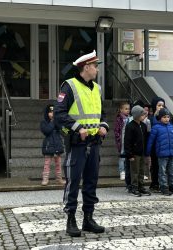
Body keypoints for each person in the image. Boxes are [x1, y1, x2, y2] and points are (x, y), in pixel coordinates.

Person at [54, 50, 108, 237]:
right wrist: (77, 128)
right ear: (86, 67)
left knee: (91, 182)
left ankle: (88, 219)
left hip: (94, 144)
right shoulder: (69, 86)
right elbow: (59, 115)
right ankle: (70, 219)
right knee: (73, 182)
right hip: (77, 144)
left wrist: (104, 126)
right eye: (95, 66)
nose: (97, 70)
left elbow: (102, 113)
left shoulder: (97, 88)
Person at [146, 108, 173, 196]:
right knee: (162, 172)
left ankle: (172, 186)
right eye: (164, 117)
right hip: (162, 155)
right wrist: (147, 152)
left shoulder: (171, 127)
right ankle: (163, 187)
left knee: (171, 172)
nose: (166, 119)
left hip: (171, 154)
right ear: (159, 118)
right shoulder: (156, 128)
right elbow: (151, 141)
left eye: (168, 117)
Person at [124, 105, 151, 197]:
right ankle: (134, 187)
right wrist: (129, 155)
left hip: (142, 152)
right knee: (134, 171)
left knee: (141, 170)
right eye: (142, 115)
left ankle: (141, 186)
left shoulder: (143, 125)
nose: (144, 117)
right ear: (136, 115)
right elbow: (127, 141)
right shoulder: (130, 126)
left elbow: (146, 139)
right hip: (134, 154)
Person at [40, 104, 65, 186]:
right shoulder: (44, 122)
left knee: (58, 163)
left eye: (53, 112)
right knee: (47, 163)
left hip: (57, 144)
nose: (52, 114)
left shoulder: (57, 122)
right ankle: (45, 179)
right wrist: (53, 122)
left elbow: (62, 130)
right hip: (48, 145)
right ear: (47, 113)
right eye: (50, 112)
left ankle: (59, 179)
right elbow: (46, 131)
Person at [148, 97, 165, 192]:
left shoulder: (166, 117)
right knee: (154, 165)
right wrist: (155, 116)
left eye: (162, 105)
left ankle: (163, 183)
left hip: (163, 145)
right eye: (159, 105)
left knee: (163, 165)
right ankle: (154, 183)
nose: (161, 107)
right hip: (154, 145)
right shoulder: (151, 118)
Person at [114, 102, 130, 181]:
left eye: (128, 109)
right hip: (122, 141)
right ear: (121, 110)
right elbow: (116, 131)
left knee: (127, 156)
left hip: (128, 141)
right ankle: (122, 171)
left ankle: (127, 171)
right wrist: (118, 139)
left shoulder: (130, 118)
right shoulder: (119, 119)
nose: (128, 110)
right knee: (122, 157)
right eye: (126, 109)